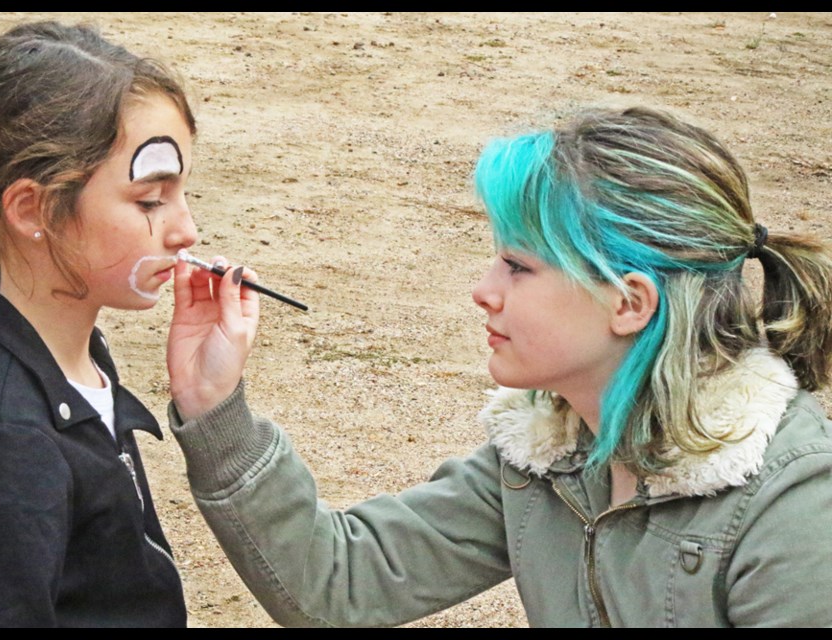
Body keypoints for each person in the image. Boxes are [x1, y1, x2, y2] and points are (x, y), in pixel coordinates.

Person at [164, 106, 832, 627]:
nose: (485, 290)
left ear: (628, 303)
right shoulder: (551, 452)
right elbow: (338, 581)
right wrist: (213, 404)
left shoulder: (793, 508)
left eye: (518, 265)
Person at [0, 20, 225, 627]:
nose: (185, 230)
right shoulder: (1, 444)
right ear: (32, 208)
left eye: (182, 193)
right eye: (149, 200)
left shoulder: (72, 356)